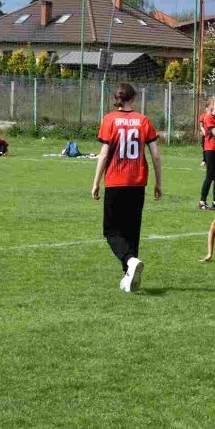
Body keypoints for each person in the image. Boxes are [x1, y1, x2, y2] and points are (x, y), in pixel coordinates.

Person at [91, 83, 163, 293]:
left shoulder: (110, 119)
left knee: (111, 230)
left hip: (115, 181)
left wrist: (95, 182)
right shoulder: (143, 121)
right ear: (134, 98)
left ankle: (130, 262)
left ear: (117, 98)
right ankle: (129, 275)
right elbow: (156, 155)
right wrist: (159, 182)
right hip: (137, 182)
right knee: (132, 231)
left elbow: (104, 154)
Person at [198, 96, 215, 210]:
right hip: (210, 149)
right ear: (212, 106)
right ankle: (202, 202)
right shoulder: (209, 117)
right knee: (210, 176)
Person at [198, 99, 213, 167]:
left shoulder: (213, 116)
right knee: (205, 148)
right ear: (206, 108)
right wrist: (204, 132)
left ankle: (211, 161)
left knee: (211, 148)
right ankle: (204, 160)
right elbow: (201, 126)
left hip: (212, 135)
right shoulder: (202, 116)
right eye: (207, 107)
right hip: (205, 135)